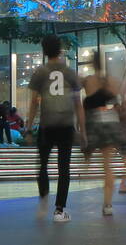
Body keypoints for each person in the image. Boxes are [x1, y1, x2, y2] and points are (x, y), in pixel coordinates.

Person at [26, 34, 83, 222]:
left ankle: (43, 199)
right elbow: (78, 104)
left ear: (44, 51)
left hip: (46, 124)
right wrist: (83, 129)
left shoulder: (40, 72)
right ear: (60, 50)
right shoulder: (69, 72)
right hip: (66, 125)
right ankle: (59, 210)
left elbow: (34, 102)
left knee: (42, 164)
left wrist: (28, 126)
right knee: (63, 168)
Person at [83, 57, 123, 216]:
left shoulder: (88, 81)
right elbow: (118, 104)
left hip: (93, 122)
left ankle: (86, 165)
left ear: (92, 64)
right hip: (110, 123)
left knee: (89, 155)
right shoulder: (111, 81)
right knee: (108, 165)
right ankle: (108, 204)